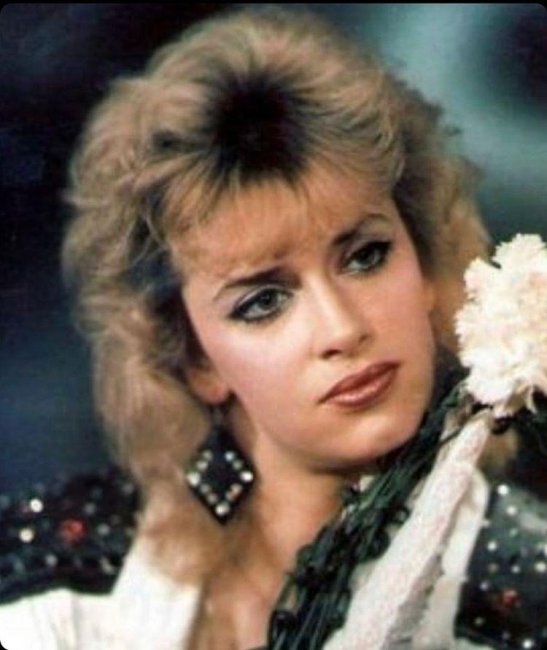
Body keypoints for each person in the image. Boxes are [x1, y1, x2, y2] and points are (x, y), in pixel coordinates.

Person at [0, 5, 546, 649]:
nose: (341, 328)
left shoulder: (521, 592)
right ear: (195, 358)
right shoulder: (53, 581)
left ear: (423, 263)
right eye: (263, 302)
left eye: (366, 256)